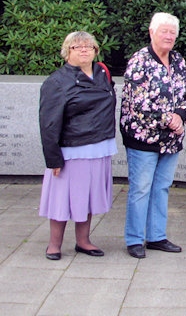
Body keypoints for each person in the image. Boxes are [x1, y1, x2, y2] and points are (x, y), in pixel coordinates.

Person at [120, 12, 186, 259]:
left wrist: (181, 116)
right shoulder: (139, 61)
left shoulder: (178, 60)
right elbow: (138, 104)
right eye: (164, 31)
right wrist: (170, 121)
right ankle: (134, 239)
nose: (169, 36)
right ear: (152, 32)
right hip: (143, 138)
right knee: (140, 189)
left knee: (161, 187)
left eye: (173, 32)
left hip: (171, 140)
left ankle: (156, 236)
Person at [39, 31, 117, 260]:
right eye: (77, 47)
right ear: (67, 52)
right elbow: (49, 122)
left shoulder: (102, 72)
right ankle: (54, 245)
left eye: (89, 46)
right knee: (62, 199)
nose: (84, 50)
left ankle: (83, 241)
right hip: (72, 150)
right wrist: (53, 158)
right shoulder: (57, 81)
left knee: (89, 197)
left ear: (96, 50)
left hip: (100, 146)